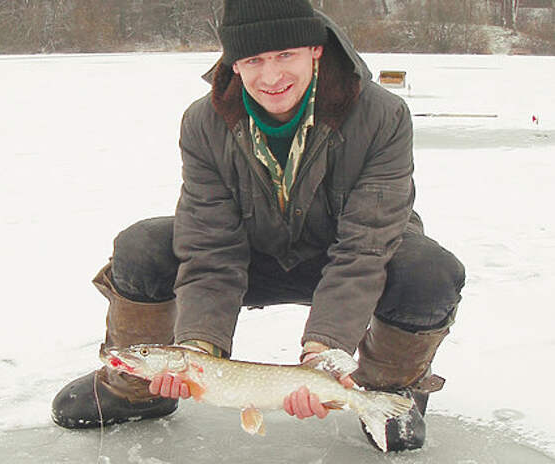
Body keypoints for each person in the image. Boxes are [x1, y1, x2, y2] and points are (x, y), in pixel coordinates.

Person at [52, 0, 465, 452]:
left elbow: (364, 248)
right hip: (254, 256)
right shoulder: (204, 121)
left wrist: (323, 352)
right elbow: (210, 250)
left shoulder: (383, 115)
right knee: (143, 245)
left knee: (429, 270)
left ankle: (385, 392)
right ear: (234, 62)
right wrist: (198, 348)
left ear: (315, 49)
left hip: (350, 261)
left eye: (285, 55)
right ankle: (136, 390)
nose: (271, 77)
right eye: (253, 61)